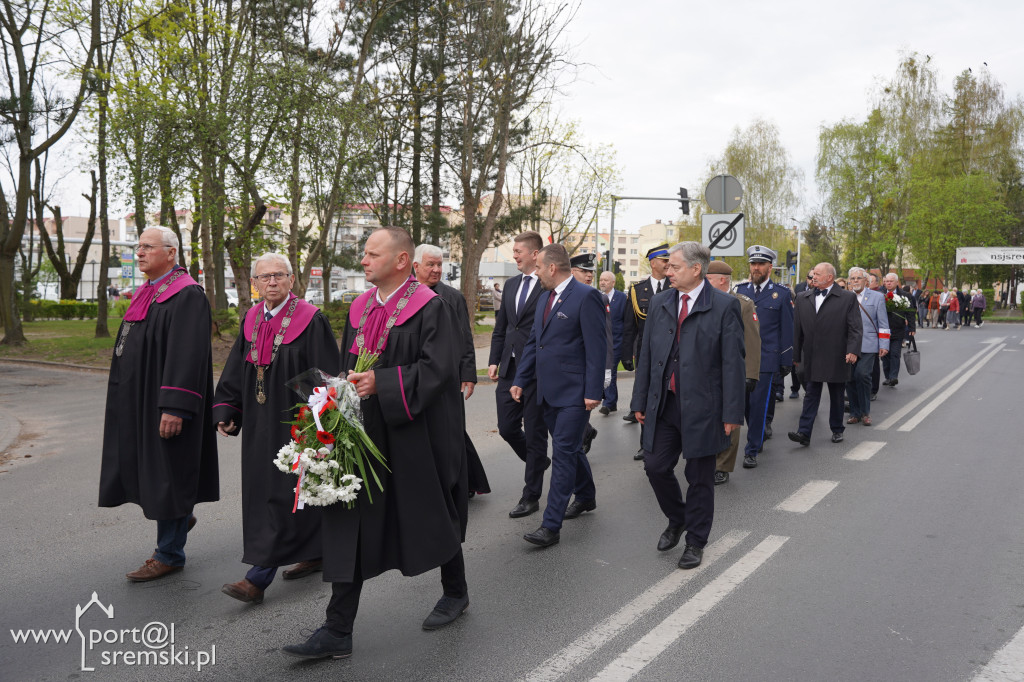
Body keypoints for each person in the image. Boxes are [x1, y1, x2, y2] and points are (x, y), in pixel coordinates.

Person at [283, 227, 469, 660]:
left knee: (429, 511)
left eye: (372, 254)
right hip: (365, 428)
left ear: (401, 260)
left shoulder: (431, 306)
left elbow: (439, 370)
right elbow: (349, 365)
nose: (362, 261)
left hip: (414, 428)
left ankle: (456, 590)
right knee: (352, 518)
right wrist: (333, 401)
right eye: (363, 253)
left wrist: (382, 383)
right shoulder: (361, 305)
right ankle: (337, 629)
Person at [212, 253, 338, 604]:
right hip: (257, 422)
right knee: (265, 491)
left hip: (295, 423)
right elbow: (238, 368)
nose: (271, 282)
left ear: (291, 280)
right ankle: (315, 551)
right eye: (264, 277)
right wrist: (227, 407)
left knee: (284, 493)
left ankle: (258, 576)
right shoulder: (252, 318)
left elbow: (324, 376)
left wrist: (316, 428)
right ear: (254, 283)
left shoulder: (310, 320)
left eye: (278, 276)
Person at [99, 226, 219, 582]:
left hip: (165, 403)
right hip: (141, 400)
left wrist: (176, 407)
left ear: (171, 253)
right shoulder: (149, 292)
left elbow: (187, 355)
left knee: (168, 474)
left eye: (147, 247)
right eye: (138, 247)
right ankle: (179, 519)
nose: (139, 253)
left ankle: (169, 552)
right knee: (154, 473)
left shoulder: (186, 294)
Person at [631, 242, 744, 569]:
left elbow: (732, 363)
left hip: (704, 407)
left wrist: (731, 412)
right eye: (667, 267)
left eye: (675, 267)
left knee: (699, 477)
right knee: (655, 466)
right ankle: (677, 517)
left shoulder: (724, 306)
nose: (668, 271)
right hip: (664, 404)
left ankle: (695, 541)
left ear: (697, 269)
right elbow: (648, 356)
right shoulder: (660, 302)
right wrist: (639, 399)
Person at [510, 243, 606, 547]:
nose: (535, 273)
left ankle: (550, 525)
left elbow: (597, 347)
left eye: (538, 267)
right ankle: (587, 495)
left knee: (563, 452)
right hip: (547, 391)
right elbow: (533, 344)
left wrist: (594, 391)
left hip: (576, 394)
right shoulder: (545, 297)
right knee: (572, 448)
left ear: (552, 267)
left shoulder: (587, 296)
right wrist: (521, 380)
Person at [413, 244, 491, 497]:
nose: (436, 270)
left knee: (452, 431)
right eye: (430, 265)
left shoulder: (452, 297)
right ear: (416, 266)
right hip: (416, 376)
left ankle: (461, 484)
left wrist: (468, 374)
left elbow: (465, 339)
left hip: (449, 378)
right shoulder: (406, 295)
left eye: (439, 265)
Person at [487, 231, 550, 519]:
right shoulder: (511, 285)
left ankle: (531, 495)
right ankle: (538, 462)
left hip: (536, 369)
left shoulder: (548, 286)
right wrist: (493, 360)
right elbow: (502, 326)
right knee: (507, 427)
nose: (514, 256)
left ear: (535, 254)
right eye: (513, 251)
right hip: (510, 368)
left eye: (518, 251)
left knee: (536, 434)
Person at [788, 263, 863, 446]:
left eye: (818, 274)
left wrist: (853, 350)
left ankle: (837, 429)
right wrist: (796, 357)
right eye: (813, 273)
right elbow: (797, 330)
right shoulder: (802, 297)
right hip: (812, 355)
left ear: (829, 277)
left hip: (836, 354)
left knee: (836, 394)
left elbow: (855, 328)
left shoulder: (847, 298)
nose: (813, 276)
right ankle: (804, 432)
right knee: (811, 394)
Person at [734, 245, 793, 469]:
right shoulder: (739, 291)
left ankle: (752, 450)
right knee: (744, 405)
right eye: (753, 264)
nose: (756, 268)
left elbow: (787, 330)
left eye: (760, 264)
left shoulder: (782, 294)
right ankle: (756, 435)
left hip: (766, 359)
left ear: (770, 267)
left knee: (758, 404)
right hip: (740, 358)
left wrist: (786, 359)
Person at [707, 261, 759, 485]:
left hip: (732, 370)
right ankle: (707, 458)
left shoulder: (743, 304)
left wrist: (751, 373)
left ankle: (723, 466)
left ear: (722, 280)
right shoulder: (702, 300)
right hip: (706, 370)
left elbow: (752, 340)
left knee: (730, 418)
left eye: (707, 279)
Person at [621, 244, 671, 460]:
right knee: (646, 398)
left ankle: (671, 442)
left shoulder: (676, 286)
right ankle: (646, 444)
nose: (668, 264)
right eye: (664, 260)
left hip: (671, 352)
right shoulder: (637, 290)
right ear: (653, 263)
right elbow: (628, 326)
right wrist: (626, 354)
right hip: (646, 353)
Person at [844, 268, 888, 427]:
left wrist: (884, 344)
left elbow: (883, 323)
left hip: (868, 344)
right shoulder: (845, 297)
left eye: (858, 278)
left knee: (862, 375)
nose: (855, 281)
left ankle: (866, 412)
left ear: (866, 281)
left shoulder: (877, 297)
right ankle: (855, 413)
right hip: (848, 345)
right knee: (849, 378)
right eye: (852, 278)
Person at [569, 252, 602, 454]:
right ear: (572, 271)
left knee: (573, 440)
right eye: (584, 271)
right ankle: (586, 432)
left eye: (591, 272)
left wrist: (604, 371)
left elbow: (600, 339)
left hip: (584, 371)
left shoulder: (592, 296)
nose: (589, 275)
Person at [598, 270, 627, 415]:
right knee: (606, 371)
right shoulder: (596, 297)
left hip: (616, 342)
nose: (602, 282)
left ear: (613, 283)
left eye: (606, 280)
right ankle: (612, 402)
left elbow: (625, 321)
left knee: (610, 371)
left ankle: (608, 403)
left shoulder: (622, 298)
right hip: (600, 342)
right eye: (601, 280)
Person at [881, 273, 915, 387]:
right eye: (886, 281)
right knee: (885, 355)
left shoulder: (905, 295)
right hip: (883, 330)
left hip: (898, 329)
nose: (888, 283)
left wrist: (911, 327)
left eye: (891, 281)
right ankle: (887, 377)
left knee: (895, 353)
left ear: (897, 283)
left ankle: (893, 377)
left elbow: (910, 312)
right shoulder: (879, 294)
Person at [789, 271, 814, 399]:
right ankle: (799, 389)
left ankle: (812, 394)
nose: (813, 280)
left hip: (819, 340)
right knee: (800, 370)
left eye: (816, 277)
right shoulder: (799, 290)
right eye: (810, 277)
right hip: (802, 338)